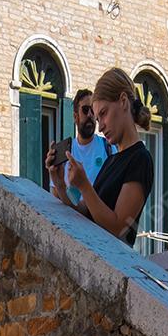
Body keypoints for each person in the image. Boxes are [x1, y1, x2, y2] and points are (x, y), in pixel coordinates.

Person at [46, 68, 152, 247]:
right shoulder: (111, 160)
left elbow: (118, 228)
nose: (100, 126)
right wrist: (60, 185)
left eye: (103, 114)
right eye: (97, 119)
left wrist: (84, 185)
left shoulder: (140, 159)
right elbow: (85, 212)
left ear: (123, 101)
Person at [64, 88, 112, 206]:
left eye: (93, 110)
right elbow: (55, 195)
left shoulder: (109, 148)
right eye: (85, 110)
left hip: (99, 217)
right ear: (75, 117)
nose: (90, 114)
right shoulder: (66, 152)